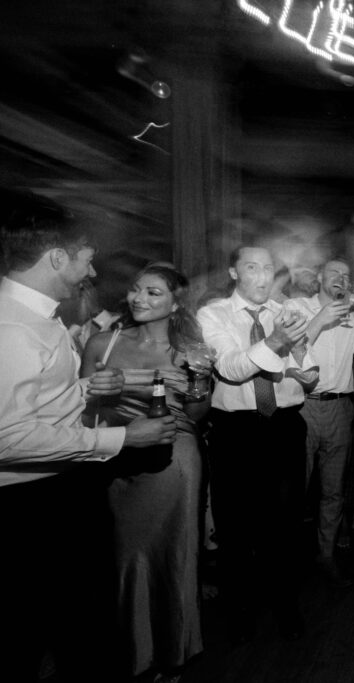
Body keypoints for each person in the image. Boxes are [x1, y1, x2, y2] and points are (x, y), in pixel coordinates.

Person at [0, 195, 176, 682]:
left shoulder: (40, 317)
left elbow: (34, 402)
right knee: (41, 633)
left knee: (79, 626)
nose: (92, 267)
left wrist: (84, 388)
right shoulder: (10, 327)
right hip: (30, 506)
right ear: (57, 257)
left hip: (58, 491)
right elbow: (7, 437)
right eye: (85, 254)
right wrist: (121, 437)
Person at [80, 262, 210, 679]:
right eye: (136, 289)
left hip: (174, 461)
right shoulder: (104, 340)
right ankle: (134, 654)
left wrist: (199, 386)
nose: (140, 298)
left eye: (154, 293)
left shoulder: (190, 348)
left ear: (175, 304)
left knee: (173, 557)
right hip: (117, 454)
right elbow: (82, 404)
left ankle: (172, 654)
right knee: (124, 558)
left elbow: (196, 414)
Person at [196, 245, 314, 641]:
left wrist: (301, 354)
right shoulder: (213, 314)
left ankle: (286, 606)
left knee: (284, 523)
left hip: (284, 426)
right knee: (235, 525)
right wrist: (277, 341)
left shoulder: (286, 312)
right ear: (234, 272)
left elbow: (307, 370)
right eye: (252, 267)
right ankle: (239, 612)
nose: (263, 276)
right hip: (236, 432)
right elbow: (230, 369)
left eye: (268, 268)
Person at [286, 257, 354, 581]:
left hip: (339, 408)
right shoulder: (297, 306)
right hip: (302, 406)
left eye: (346, 275)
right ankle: (288, 560)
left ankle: (326, 555)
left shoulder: (351, 313)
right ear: (319, 276)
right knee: (296, 487)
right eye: (334, 272)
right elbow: (287, 349)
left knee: (334, 491)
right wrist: (320, 318)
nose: (341, 278)